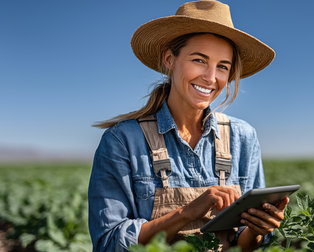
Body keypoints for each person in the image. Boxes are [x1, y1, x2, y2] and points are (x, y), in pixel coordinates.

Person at [88, 1, 289, 251]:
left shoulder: (243, 136)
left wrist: (258, 230)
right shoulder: (122, 141)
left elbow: (244, 244)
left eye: (222, 67)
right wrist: (188, 211)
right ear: (170, 59)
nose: (210, 77)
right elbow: (108, 242)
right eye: (199, 60)